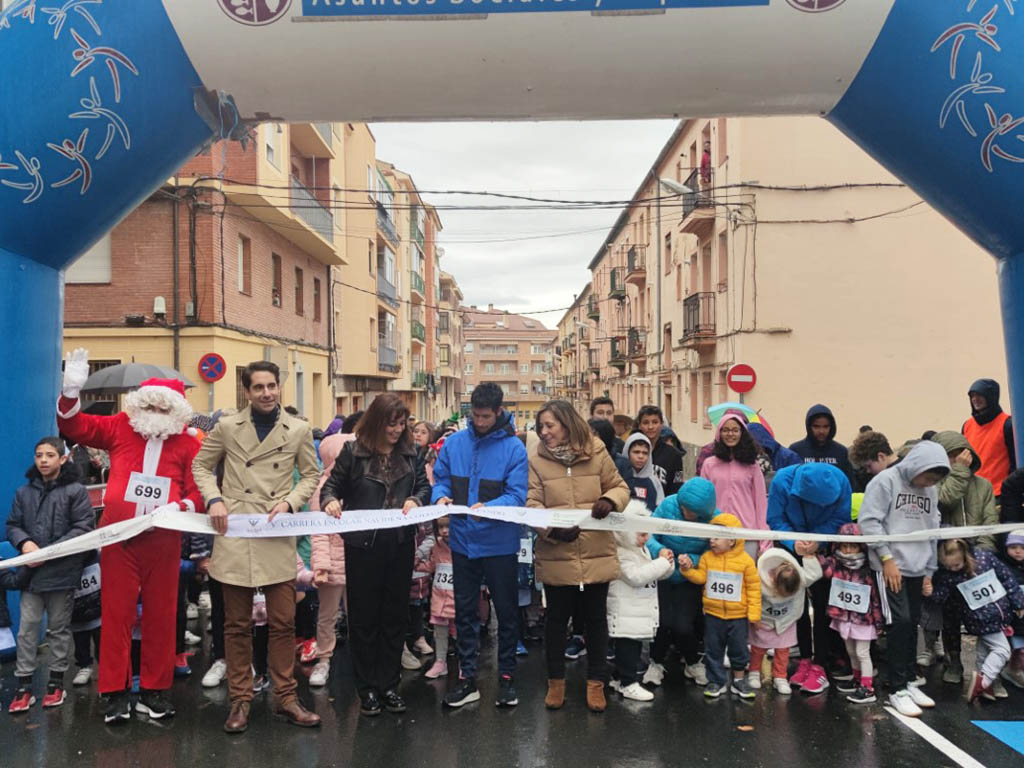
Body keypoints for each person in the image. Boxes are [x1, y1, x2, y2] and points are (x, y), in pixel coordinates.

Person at [58, 350, 205, 724]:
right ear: (139, 406)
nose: (154, 414)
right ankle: (114, 692)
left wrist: (183, 507)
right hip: (118, 537)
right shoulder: (121, 427)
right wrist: (71, 393)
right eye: (149, 406)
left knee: (161, 615)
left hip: (163, 538)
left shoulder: (189, 443)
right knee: (117, 614)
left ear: (175, 411)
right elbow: (75, 428)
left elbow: (199, 489)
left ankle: (154, 691)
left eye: (162, 408)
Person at [192, 360, 322, 733]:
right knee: (235, 625)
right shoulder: (227, 427)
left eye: (272, 386)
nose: (266, 393)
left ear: (280, 388)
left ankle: (286, 698)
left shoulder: (297, 430)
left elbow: (311, 474)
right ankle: (241, 701)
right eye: (258, 387)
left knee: (283, 622)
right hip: (236, 533)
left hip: (276, 533)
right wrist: (214, 499)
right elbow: (202, 466)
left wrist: (291, 502)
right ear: (246, 392)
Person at [319, 393, 431, 718]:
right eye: (390, 424)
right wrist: (330, 502)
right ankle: (366, 688)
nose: (396, 431)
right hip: (362, 547)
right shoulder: (353, 452)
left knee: (394, 617)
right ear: (377, 422)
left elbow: (424, 488)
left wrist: (416, 500)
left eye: (401, 424)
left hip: (398, 546)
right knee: (364, 619)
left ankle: (389, 685)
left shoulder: (412, 453)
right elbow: (331, 488)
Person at [529, 399, 630, 713]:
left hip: (595, 553)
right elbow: (531, 505)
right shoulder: (536, 460)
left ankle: (595, 684)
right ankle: (556, 683)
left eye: (550, 425)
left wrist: (610, 501)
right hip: (557, 557)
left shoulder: (597, 451)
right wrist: (552, 531)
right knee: (556, 624)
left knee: (596, 623)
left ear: (567, 423)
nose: (544, 432)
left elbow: (620, 487)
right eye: (540, 427)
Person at [431, 381, 528, 709]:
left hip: (500, 543)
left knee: (506, 611)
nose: (480, 421)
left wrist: (492, 507)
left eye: (486, 416)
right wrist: (439, 495)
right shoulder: (455, 443)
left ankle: (507, 679)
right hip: (462, 542)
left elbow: (517, 494)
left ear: (499, 412)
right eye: (476, 415)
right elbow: (441, 477)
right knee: (465, 612)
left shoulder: (514, 449)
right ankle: (467, 679)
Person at [858, 440, 950, 718]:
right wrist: (886, 559)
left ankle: (909, 681)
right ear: (915, 465)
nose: (929, 482)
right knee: (899, 622)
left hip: (917, 567)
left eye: (935, 478)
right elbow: (869, 522)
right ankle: (897, 687)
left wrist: (930, 571)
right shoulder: (885, 481)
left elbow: (933, 529)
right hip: (890, 566)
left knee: (912, 625)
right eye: (927, 475)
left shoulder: (930, 490)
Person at [6, 437, 94, 713]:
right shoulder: (24, 492)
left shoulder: (76, 491)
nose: (43, 460)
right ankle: (24, 687)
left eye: (49, 455)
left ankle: (56, 683)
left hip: (62, 573)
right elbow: (13, 525)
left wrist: (51, 551)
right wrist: (24, 544)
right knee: (27, 630)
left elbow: (83, 527)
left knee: (58, 630)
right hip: (31, 575)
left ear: (63, 459)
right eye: (39, 455)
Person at [918, 431, 999, 679]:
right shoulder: (935, 485)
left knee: (985, 615)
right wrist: (959, 473)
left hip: (975, 563)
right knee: (950, 615)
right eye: (951, 457)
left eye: (960, 455)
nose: (957, 460)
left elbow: (990, 522)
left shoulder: (983, 485)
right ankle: (954, 662)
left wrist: (981, 558)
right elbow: (944, 501)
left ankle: (988, 671)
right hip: (946, 560)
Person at [766, 462, 852, 693]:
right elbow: (775, 519)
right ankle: (804, 658)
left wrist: (819, 541)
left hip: (822, 548)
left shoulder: (841, 479)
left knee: (824, 606)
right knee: (796, 605)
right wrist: (794, 542)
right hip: (790, 545)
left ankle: (820, 664)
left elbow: (839, 519)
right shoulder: (782, 482)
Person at [925, 538, 1024, 702]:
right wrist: (930, 593)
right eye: (948, 566)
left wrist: (1019, 603)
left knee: (983, 653)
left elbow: (1006, 577)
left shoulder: (984, 558)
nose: (953, 569)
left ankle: (986, 685)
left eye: (956, 565)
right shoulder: (949, 576)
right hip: (980, 619)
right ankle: (983, 682)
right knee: (1002, 651)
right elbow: (941, 596)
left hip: (1000, 614)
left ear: (965, 555)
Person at [643, 478, 717, 688]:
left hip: (689, 577)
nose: (687, 514)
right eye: (684, 509)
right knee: (662, 623)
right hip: (662, 572)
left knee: (683, 626)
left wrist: (692, 560)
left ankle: (692, 662)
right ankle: (656, 662)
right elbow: (649, 533)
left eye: (692, 512)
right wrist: (659, 550)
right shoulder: (668, 504)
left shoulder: (715, 519)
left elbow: (714, 550)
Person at [677, 513, 761, 699]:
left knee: (738, 649)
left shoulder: (746, 561)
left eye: (716, 537)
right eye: (710, 537)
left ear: (732, 540)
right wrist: (687, 570)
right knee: (713, 649)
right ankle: (716, 680)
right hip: (713, 614)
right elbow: (701, 578)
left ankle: (739, 680)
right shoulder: (707, 558)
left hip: (738, 616)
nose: (712, 541)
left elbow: (754, 587)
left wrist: (754, 613)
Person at [607, 500, 675, 701]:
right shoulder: (621, 552)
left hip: (635, 610)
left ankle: (619, 679)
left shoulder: (638, 549)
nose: (646, 539)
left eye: (647, 534)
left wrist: (667, 565)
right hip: (626, 609)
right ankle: (628, 683)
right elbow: (636, 577)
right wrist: (662, 563)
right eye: (641, 534)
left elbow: (651, 573)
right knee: (627, 648)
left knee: (632, 647)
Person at [816, 523, 884, 704]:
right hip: (844, 616)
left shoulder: (867, 571)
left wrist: (878, 622)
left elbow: (875, 598)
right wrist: (810, 553)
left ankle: (868, 688)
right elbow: (823, 569)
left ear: (860, 546)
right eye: (844, 546)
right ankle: (857, 679)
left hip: (864, 620)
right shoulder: (836, 565)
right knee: (851, 651)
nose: (848, 550)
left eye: (852, 546)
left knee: (863, 653)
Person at [749, 545, 821, 696]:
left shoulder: (800, 578)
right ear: (773, 578)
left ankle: (780, 676)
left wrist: (808, 557)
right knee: (757, 649)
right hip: (764, 621)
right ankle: (754, 672)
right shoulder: (760, 580)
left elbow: (815, 574)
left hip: (787, 621)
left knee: (783, 651)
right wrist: (754, 617)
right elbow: (751, 597)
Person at [308, 434, 348, 689]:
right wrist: (321, 566)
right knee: (327, 616)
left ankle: (364, 660)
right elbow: (318, 531)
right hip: (331, 565)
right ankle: (323, 659)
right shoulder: (321, 487)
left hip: (358, 562)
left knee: (364, 616)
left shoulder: (359, 482)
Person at [700, 415, 768, 558]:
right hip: (717, 534)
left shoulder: (752, 465)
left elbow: (761, 504)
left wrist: (765, 542)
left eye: (735, 430)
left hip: (747, 535)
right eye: (726, 430)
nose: (730, 434)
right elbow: (702, 502)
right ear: (719, 433)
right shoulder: (709, 464)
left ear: (742, 433)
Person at [415, 517, 456, 679]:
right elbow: (432, 565)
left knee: (459, 631)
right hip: (440, 598)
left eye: (448, 526)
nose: (444, 531)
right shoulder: (437, 546)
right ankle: (440, 661)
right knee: (440, 631)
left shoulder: (462, 545)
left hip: (458, 598)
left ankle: (465, 665)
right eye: (441, 527)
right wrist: (416, 565)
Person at [962, 378, 1016, 498]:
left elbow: (1015, 462)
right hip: (973, 494)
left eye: (979, 395)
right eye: (972, 396)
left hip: (999, 494)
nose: (975, 399)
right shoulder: (967, 425)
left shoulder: (1008, 424)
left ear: (991, 397)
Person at [788, 404, 855, 485]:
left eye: (826, 427)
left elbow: (848, 484)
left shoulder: (841, 452)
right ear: (809, 427)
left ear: (831, 427)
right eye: (816, 427)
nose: (821, 431)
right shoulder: (796, 450)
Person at [634, 405, 685, 496]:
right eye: (645, 423)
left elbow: (679, 483)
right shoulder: (631, 451)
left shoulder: (675, 455)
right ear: (640, 425)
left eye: (655, 422)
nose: (650, 427)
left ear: (661, 424)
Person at [999, 530, 1024, 688]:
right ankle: (1012, 670)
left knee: (1019, 649)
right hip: (1014, 617)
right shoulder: (1004, 568)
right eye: (1013, 546)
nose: (1018, 551)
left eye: (1022, 547)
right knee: (1019, 647)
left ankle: (1013, 669)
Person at [620, 433, 663, 512]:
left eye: (645, 453)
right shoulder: (619, 477)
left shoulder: (654, 481)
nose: (641, 456)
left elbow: (660, 509)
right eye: (636, 452)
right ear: (627, 453)